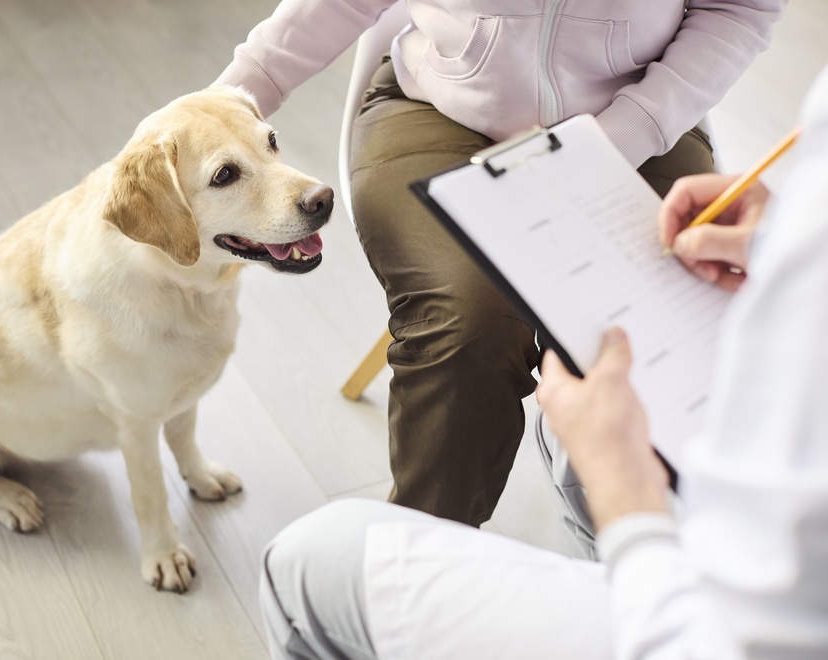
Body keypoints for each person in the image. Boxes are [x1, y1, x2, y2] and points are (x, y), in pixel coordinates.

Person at [255, 63, 828, 660]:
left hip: (712, 618)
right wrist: (783, 240)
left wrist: (627, 493)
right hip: (726, 557)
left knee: (307, 567)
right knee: (558, 370)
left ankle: (599, 551)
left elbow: (754, 639)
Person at [215, 1, 788, 527]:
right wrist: (228, 102)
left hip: (643, 120)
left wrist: (624, 134)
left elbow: (738, 6)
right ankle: (426, 559)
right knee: (466, 324)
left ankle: (637, 561)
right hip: (439, 110)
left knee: (644, 337)